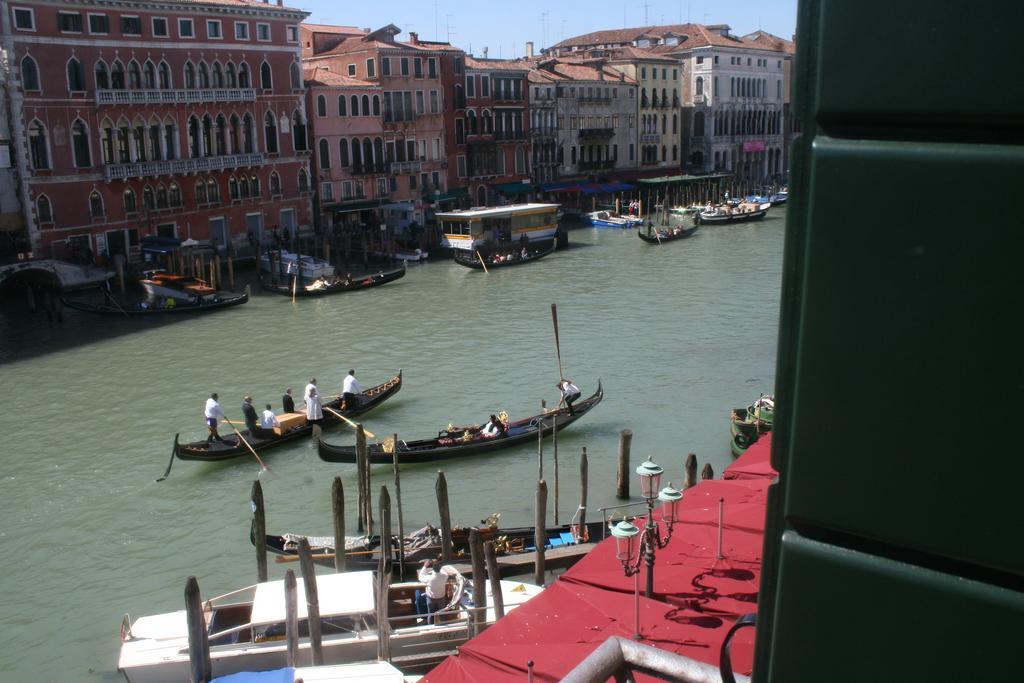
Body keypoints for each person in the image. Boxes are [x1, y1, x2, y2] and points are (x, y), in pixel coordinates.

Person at [415, 560, 451, 625]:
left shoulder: (429, 578)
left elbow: (420, 577)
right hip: (441, 598)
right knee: (442, 614)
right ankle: (443, 625)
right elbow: (443, 571)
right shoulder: (444, 576)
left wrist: (425, 566)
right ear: (440, 568)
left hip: (431, 599)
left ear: (433, 569)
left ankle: (430, 626)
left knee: (430, 615)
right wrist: (437, 563)